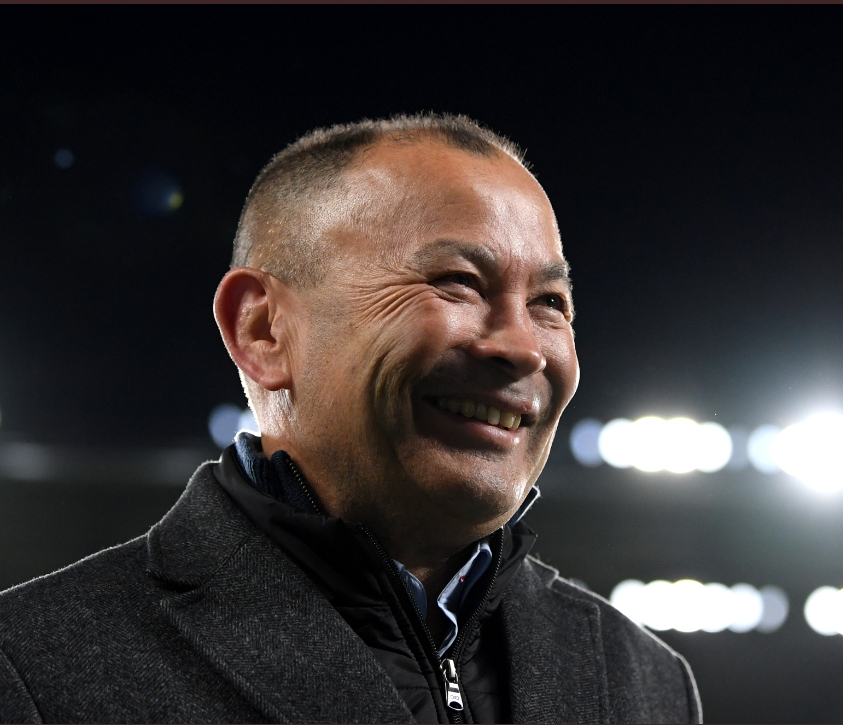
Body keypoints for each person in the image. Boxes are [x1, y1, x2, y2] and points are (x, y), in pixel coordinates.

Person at [0, 114, 701, 723]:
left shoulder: (644, 682)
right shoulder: (34, 671)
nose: (523, 348)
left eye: (549, 303)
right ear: (264, 330)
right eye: (457, 282)